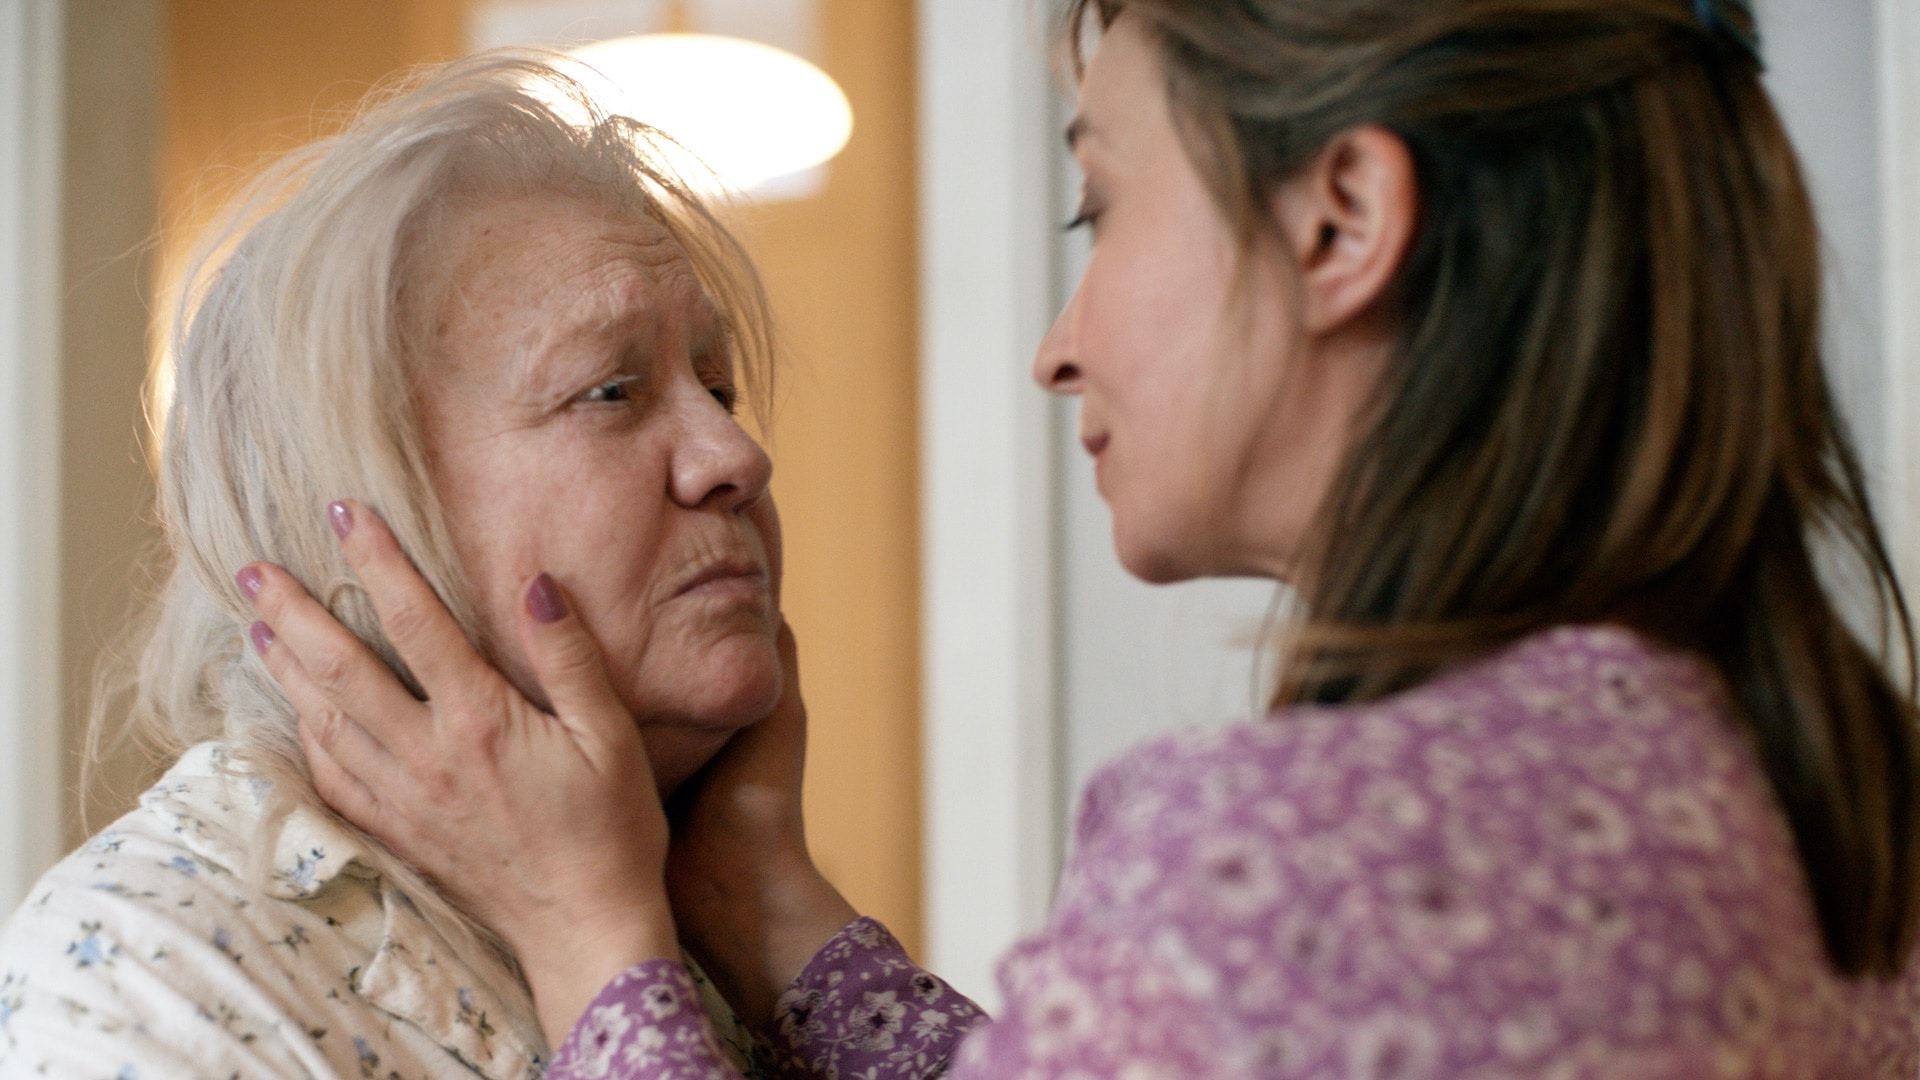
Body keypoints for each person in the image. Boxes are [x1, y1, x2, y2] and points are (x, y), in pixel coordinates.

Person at [238, 0, 1920, 1076]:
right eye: (611, 391)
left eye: (1102, 208)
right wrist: (773, 914)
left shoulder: (1299, 863)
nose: (1058, 338)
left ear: (1341, 219)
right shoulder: (1814, 789)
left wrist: (594, 946)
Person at [0, 53, 792, 1079]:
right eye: (609, 392)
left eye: (720, 389)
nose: (738, 457)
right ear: (353, 513)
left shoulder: (715, 915)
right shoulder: (147, 964)